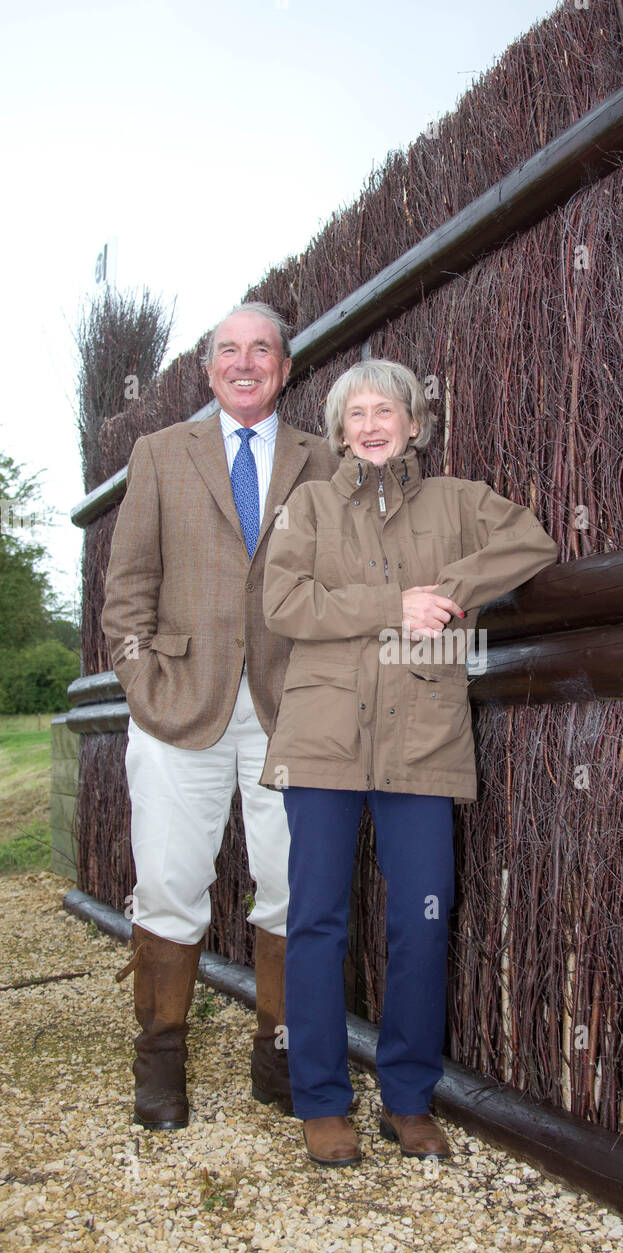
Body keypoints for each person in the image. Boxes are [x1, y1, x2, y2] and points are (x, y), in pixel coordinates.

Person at [260, 359, 558, 1165]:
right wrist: (390, 607)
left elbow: (532, 540)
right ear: (339, 430)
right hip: (323, 736)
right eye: (354, 412)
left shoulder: (458, 501)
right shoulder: (310, 506)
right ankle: (322, 1100)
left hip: (422, 735)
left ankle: (408, 1096)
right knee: (316, 919)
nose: (370, 422)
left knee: (422, 921)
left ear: (415, 422)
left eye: (384, 407)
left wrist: (450, 590)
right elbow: (281, 603)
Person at [101, 302, 337, 1129]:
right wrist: (141, 679)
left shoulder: (325, 459)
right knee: (169, 884)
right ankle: (159, 1062)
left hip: (290, 714)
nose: (245, 363)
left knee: (290, 886)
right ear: (209, 371)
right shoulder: (161, 455)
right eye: (228, 351)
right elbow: (126, 584)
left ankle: (277, 1057)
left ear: (285, 364)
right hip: (177, 709)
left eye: (261, 349)